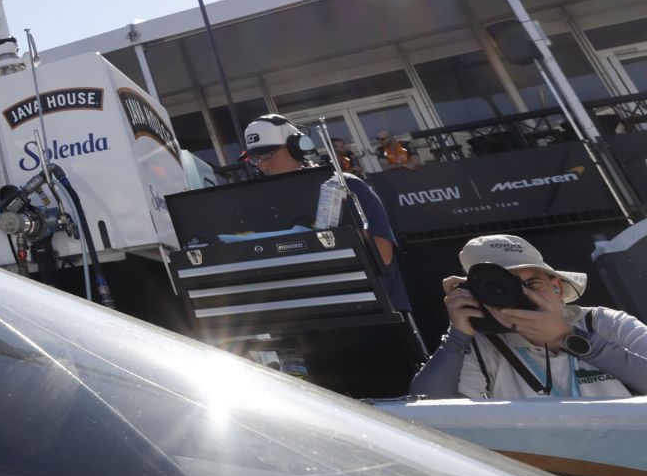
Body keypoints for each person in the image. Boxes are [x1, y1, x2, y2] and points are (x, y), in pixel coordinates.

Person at [409, 234, 647, 399]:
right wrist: (457, 338)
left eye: (531, 284)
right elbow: (429, 416)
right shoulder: (479, 346)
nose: (523, 297)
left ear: (556, 285)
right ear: (477, 297)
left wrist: (568, 337)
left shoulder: (604, 323)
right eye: (501, 289)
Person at [240, 114, 411, 315]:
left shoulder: (348, 185)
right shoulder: (267, 204)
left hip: (377, 311)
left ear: (297, 148)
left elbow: (383, 255)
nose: (262, 166)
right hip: (314, 315)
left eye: (268, 156)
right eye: (255, 159)